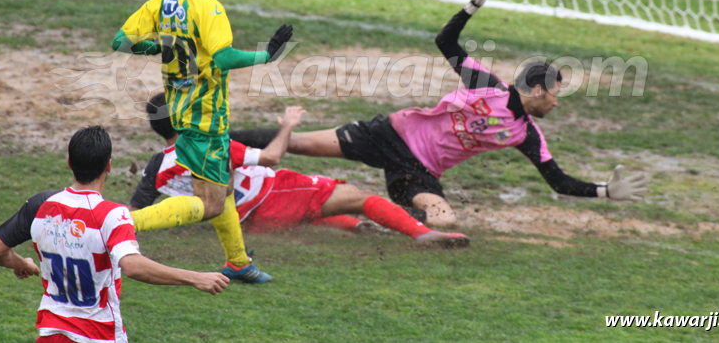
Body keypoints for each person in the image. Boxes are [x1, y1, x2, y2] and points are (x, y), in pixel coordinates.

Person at [230, 0, 649, 227]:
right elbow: (445, 41)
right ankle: (218, 142)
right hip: (390, 134)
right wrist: (473, 5)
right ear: (538, 89)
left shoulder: (527, 135)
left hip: (419, 170)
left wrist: (604, 192)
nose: (558, 102)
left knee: (445, 221)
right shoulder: (486, 85)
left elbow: (557, 181)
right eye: (556, 92)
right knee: (298, 143)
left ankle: (369, 213)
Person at [111, 0, 293, 283]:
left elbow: (121, 41)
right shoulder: (209, 6)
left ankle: (237, 262)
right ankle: (120, 221)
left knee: (224, 186)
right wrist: (266, 55)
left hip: (181, 110)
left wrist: (154, 49)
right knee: (209, 203)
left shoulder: (163, 0)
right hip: (206, 117)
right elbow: (223, 58)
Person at [130, 93, 469, 248]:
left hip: (250, 222)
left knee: (317, 213)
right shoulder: (211, 145)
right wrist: (288, 126)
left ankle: (356, 227)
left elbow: (135, 210)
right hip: (275, 195)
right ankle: (422, 234)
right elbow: (272, 156)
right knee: (359, 196)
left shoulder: (158, 165)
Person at [0, 126, 228, 343]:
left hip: (51, 334)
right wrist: (195, 278)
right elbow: (133, 266)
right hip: (97, 335)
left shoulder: (41, 205)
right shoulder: (112, 215)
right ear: (109, 166)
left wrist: (23, 264)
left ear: (69, 162)